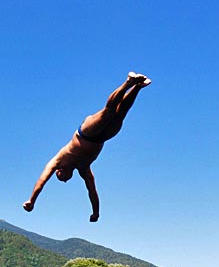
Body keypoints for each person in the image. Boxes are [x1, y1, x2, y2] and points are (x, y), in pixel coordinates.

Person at [23, 72, 152, 222]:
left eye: (60, 179)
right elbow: (92, 191)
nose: (65, 180)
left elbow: (42, 180)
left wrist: (32, 200)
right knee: (120, 114)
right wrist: (96, 212)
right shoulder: (84, 170)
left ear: (58, 172)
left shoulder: (57, 161)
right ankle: (138, 86)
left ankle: (128, 82)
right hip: (101, 138)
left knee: (108, 113)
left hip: (85, 133)